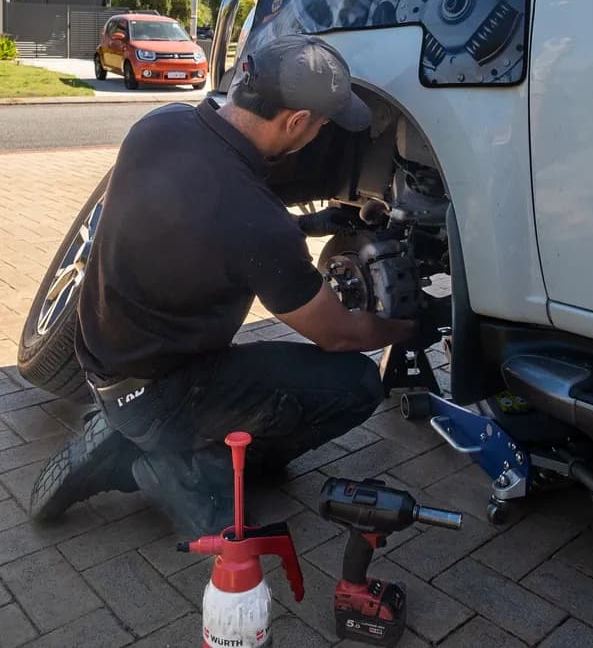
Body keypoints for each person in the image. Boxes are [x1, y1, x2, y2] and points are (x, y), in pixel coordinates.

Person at [30, 34, 425, 536]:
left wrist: (313, 224)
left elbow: (211, 219)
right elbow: (339, 335)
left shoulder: (161, 124)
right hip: (165, 392)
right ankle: (177, 465)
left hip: (106, 364)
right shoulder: (256, 224)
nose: (323, 130)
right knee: (357, 385)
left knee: (190, 394)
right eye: (324, 122)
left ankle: (134, 432)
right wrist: (407, 327)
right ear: (296, 122)